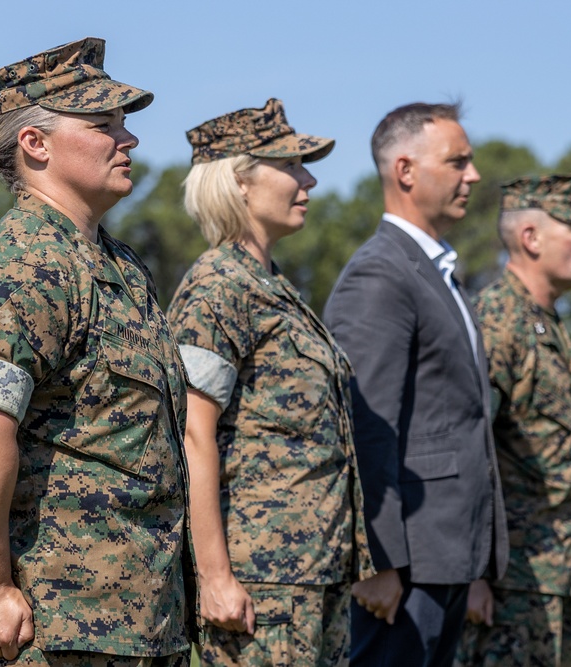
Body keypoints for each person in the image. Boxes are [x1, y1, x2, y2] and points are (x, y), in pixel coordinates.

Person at [0, 38, 196, 667]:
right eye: (103, 124)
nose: (127, 139)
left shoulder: (118, 266)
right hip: (58, 624)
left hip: (139, 618)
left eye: (124, 123)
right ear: (36, 145)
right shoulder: (27, 263)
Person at [166, 98, 375, 666]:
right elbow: (191, 435)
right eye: (291, 165)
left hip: (311, 573)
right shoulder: (218, 287)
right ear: (239, 182)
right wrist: (214, 576)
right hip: (262, 583)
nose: (308, 179)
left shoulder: (270, 285)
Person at [322, 102, 508, 667]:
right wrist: (378, 561)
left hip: (446, 552)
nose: (472, 176)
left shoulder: (435, 270)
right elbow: (364, 424)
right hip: (407, 565)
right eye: (458, 162)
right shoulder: (381, 273)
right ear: (406, 171)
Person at [455, 173, 571, 667]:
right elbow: (468, 447)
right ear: (530, 237)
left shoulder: (546, 322)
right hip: (507, 583)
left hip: (551, 573)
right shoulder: (499, 322)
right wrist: (474, 574)